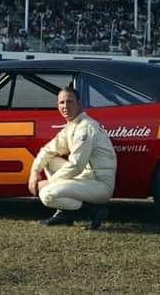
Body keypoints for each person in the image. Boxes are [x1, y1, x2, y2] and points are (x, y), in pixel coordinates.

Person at [28, 87, 117, 229]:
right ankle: (64, 214)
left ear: (79, 104)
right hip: (86, 177)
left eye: (69, 101)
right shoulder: (72, 126)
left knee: (46, 194)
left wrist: (50, 183)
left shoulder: (86, 128)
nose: (65, 106)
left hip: (99, 184)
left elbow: (76, 165)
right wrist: (34, 172)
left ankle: (94, 210)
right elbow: (48, 150)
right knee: (50, 161)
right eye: (61, 102)